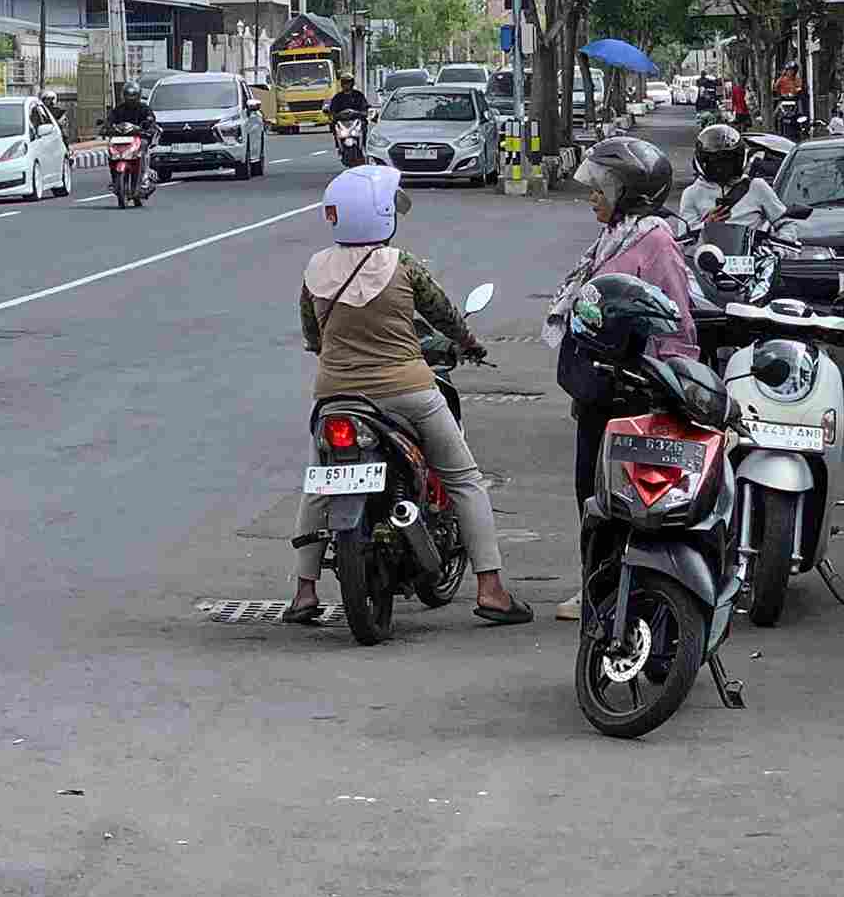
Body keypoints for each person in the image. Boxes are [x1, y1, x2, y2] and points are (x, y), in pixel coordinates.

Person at [287, 165, 528, 625]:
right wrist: (470, 344)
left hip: (337, 399)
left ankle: (303, 590)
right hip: (408, 393)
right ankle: (492, 589)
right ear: (382, 214)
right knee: (464, 480)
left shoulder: (315, 269)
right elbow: (446, 317)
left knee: (320, 484)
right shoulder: (404, 265)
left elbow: (312, 336)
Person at [543, 135, 696, 617]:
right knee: (591, 494)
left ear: (628, 192)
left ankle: (623, 592)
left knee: (626, 497)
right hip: (599, 389)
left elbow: (676, 321)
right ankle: (597, 588)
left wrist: (672, 384)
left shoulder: (655, 241)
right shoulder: (616, 235)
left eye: (602, 188)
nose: (593, 195)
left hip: (633, 395)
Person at [676, 123, 789, 233]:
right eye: (715, 161)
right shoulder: (691, 194)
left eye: (728, 160)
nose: (722, 166)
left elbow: (785, 223)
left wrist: (781, 247)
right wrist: (707, 225)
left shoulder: (757, 187)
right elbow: (684, 238)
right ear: (703, 161)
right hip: (709, 250)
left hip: (751, 251)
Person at [101, 80, 159, 194]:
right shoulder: (119, 109)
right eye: (128, 95)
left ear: (138, 95)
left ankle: (144, 177)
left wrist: (148, 125)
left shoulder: (143, 108)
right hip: (120, 138)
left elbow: (150, 119)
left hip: (138, 137)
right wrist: (106, 127)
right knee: (111, 152)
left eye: (133, 95)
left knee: (143, 146)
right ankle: (115, 180)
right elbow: (110, 119)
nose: (130, 98)